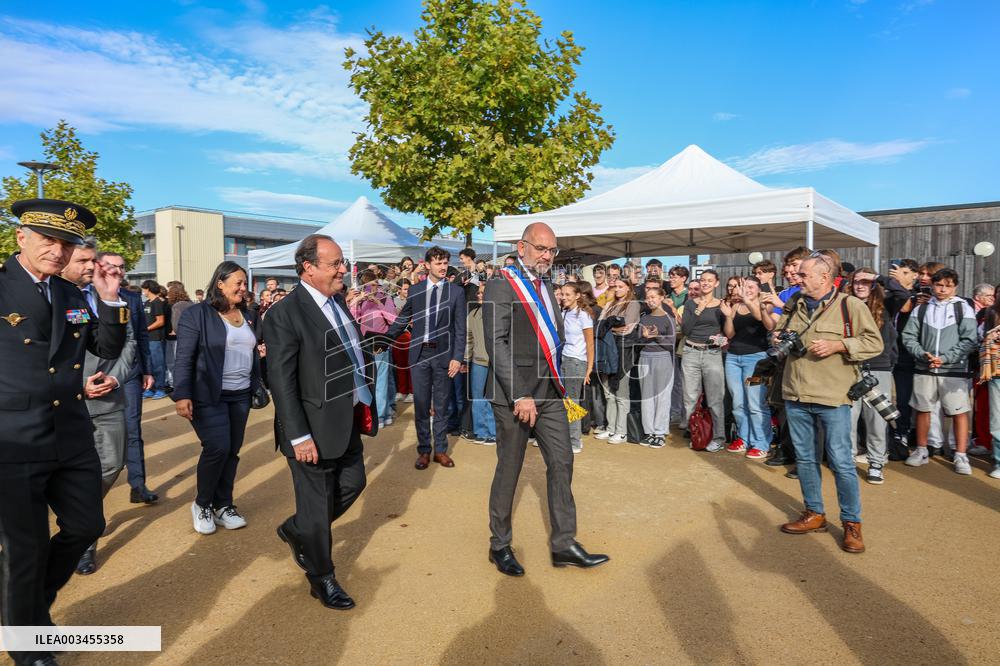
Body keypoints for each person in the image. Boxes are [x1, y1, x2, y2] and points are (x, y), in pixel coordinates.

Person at [0, 199, 129, 666]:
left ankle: (28, 608)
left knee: (86, 525)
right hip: (14, 438)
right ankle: (27, 642)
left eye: (68, 244)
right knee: (25, 549)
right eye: (49, 240)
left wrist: (110, 297)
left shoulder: (72, 293)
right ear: (22, 238)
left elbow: (106, 347)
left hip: (71, 434)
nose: (58, 251)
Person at [483, 222, 608, 577]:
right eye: (540, 248)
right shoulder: (500, 284)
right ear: (521, 247)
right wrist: (520, 393)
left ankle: (564, 542)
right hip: (514, 393)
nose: (547, 255)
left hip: (550, 390)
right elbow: (497, 342)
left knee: (563, 460)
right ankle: (499, 544)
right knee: (510, 468)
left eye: (552, 250)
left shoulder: (546, 286)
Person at [264, 234, 374, 610]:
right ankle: (321, 577)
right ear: (308, 268)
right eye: (335, 264)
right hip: (310, 428)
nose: (344, 269)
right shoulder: (284, 313)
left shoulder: (337, 302)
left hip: (346, 419)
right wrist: (298, 436)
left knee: (354, 482)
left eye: (342, 262)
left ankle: (298, 530)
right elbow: (280, 381)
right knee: (315, 509)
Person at [777, 254, 883, 554]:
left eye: (803, 274)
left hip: (833, 396)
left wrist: (839, 345)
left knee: (841, 462)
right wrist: (778, 337)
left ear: (824, 277)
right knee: (806, 459)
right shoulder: (794, 303)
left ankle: (852, 523)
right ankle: (815, 513)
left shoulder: (851, 306)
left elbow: (874, 344)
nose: (797, 278)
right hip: (796, 393)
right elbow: (782, 332)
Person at [61, 240, 137, 576]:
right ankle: (84, 542)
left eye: (97, 262)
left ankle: (84, 518)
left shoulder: (117, 301)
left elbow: (129, 343)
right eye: (90, 262)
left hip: (108, 398)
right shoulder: (60, 297)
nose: (96, 269)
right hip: (66, 403)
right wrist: (79, 385)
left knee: (111, 464)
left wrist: (115, 379)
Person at [173, 262, 263, 535]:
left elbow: (255, 347)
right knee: (217, 447)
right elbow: (184, 357)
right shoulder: (197, 314)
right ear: (220, 283)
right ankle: (202, 504)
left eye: (245, 283)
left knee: (232, 451)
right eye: (238, 282)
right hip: (207, 394)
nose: (243, 288)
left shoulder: (248, 314)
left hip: (240, 394)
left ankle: (224, 505)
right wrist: (182, 394)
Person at [386, 246, 467, 470]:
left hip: (444, 355)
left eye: (445, 263)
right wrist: (386, 339)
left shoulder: (456, 292)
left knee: (441, 406)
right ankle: (424, 450)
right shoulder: (416, 290)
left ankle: (440, 450)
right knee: (421, 405)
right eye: (439, 263)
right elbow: (403, 319)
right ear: (428, 265)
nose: (443, 267)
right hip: (419, 354)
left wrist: (458, 357)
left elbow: (461, 328)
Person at [901, 268, 978, 474]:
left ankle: (961, 455)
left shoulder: (964, 308)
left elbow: (969, 340)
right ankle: (922, 450)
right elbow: (908, 337)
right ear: (932, 285)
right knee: (923, 409)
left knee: (959, 412)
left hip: (953, 369)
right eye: (939, 285)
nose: (942, 289)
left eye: (948, 285)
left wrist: (944, 358)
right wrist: (922, 354)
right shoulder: (922, 309)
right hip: (924, 368)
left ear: (955, 287)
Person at [845, 268, 897, 484]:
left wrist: (878, 278)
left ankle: (876, 462)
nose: (860, 285)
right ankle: (846, 460)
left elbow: (902, 294)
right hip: (850, 367)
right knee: (848, 417)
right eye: (856, 281)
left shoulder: (886, 306)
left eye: (866, 282)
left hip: (878, 368)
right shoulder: (845, 306)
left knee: (876, 418)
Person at [721, 277, 776, 460]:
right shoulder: (735, 305)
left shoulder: (764, 303)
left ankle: (761, 443)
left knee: (755, 402)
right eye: (745, 287)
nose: (747, 290)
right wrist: (729, 315)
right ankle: (743, 438)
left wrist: (748, 301)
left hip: (755, 359)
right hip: (733, 359)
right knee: (738, 402)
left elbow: (763, 321)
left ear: (758, 289)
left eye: (751, 287)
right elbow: (729, 334)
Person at [681, 270, 727, 451]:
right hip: (691, 351)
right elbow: (685, 329)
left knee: (715, 399)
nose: (705, 283)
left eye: (710, 280)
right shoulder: (691, 304)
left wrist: (722, 337)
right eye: (703, 280)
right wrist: (699, 309)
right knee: (690, 398)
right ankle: (697, 434)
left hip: (712, 354)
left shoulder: (722, 305)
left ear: (716, 283)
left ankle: (718, 437)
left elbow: (727, 331)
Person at [595, 277, 641, 444]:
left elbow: (627, 329)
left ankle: (621, 431)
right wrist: (609, 321)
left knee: (621, 393)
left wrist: (608, 328)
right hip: (607, 352)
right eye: (615, 287)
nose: (617, 289)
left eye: (621, 287)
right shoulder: (610, 305)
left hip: (623, 352)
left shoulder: (633, 304)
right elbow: (598, 327)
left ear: (628, 288)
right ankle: (611, 428)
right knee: (608, 393)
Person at [350, 270, 398, 428]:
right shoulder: (361, 300)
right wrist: (356, 301)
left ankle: (382, 415)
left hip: (380, 343)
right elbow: (353, 321)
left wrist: (378, 303)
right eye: (367, 286)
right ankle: (383, 411)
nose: (371, 289)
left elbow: (393, 321)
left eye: (373, 285)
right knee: (369, 380)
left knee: (382, 380)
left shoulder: (385, 298)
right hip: (364, 344)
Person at [637, 286, 676, 448]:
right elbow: (638, 340)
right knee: (647, 397)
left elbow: (671, 344)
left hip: (663, 359)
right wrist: (644, 337)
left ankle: (660, 432)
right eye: (648, 297)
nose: (650, 300)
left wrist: (657, 336)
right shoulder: (644, 318)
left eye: (653, 297)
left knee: (662, 397)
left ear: (662, 298)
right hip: (645, 357)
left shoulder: (668, 318)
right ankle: (649, 432)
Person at [560, 282, 595, 454]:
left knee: (572, 402)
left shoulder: (584, 316)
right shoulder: (564, 312)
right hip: (564, 360)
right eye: (563, 294)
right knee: (564, 401)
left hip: (577, 362)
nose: (564, 297)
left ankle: (575, 441)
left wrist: (589, 368)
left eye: (568, 294)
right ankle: (567, 438)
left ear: (577, 296)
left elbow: (590, 344)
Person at [465, 282, 496, 445]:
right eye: (478, 292)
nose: (479, 295)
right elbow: (469, 339)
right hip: (478, 361)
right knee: (477, 397)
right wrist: (466, 359)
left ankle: (493, 433)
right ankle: (480, 431)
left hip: (495, 363)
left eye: (483, 292)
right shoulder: (473, 315)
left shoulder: (498, 313)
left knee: (491, 397)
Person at [978, 296, 1000, 479]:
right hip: (996, 372)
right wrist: (990, 337)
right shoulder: (992, 312)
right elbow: (982, 340)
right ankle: (999, 460)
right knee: (997, 420)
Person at [141, 279, 168, 399]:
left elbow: (160, 321)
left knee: (158, 365)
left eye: (144, 289)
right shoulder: (147, 303)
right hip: (147, 339)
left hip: (156, 338)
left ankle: (160, 388)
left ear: (148, 289)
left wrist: (146, 328)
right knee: (149, 365)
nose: (143, 291)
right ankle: (150, 388)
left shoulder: (157, 302)